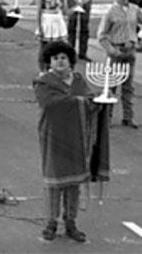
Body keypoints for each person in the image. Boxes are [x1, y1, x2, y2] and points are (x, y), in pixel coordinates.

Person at [34, 41, 110, 243]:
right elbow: (50, 103)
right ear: (49, 62)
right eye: (55, 58)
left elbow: (90, 103)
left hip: (76, 137)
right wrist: (81, 101)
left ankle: (71, 222)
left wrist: (101, 101)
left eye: (63, 58)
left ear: (70, 61)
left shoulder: (78, 81)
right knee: (54, 182)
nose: (60, 62)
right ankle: (51, 222)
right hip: (53, 137)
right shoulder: (43, 82)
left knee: (73, 182)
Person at [95, 0, 142, 128]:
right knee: (111, 85)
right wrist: (111, 50)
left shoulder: (135, 9)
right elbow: (101, 35)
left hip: (130, 49)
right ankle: (107, 117)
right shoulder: (110, 12)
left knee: (129, 86)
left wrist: (138, 41)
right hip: (116, 49)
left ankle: (128, 116)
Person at [36, 0, 68, 69]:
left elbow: (65, 11)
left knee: (58, 48)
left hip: (58, 23)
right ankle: (42, 70)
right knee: (44, 49)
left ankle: (54, 68)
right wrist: (40, 28)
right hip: (46, 23)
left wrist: (76, 8)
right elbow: (39, 12)